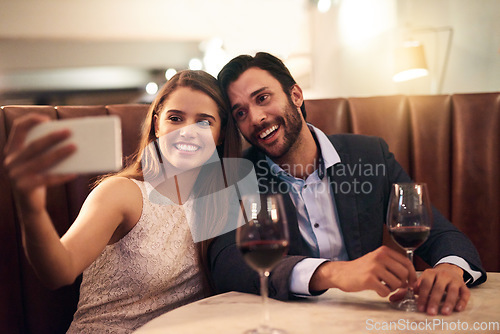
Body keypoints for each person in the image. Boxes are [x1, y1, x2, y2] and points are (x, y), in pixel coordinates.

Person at [208, 52, 486, 316]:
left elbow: (439, 233)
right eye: (240, 113)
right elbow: (227, 262)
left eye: (263, 98)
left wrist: (451, 268)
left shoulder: (370, 154)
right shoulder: (238, 175)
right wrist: (332, 272)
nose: (256, 118)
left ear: (295, 95)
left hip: (367, 317)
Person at [3, 70, 241, 333]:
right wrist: (31, 206)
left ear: (220, 135)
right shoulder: (122, 193)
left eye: (204, 123)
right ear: (156, 125)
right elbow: (60, 270)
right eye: (175, 118)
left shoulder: (222, 200)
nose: (187, 132)